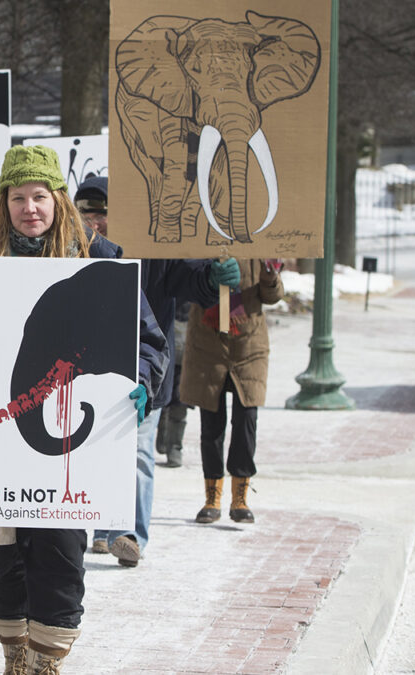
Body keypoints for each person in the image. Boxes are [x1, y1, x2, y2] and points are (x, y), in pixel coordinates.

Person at [0, 145, 168, 674]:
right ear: (4, 201)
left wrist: (143, 379)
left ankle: (49, 659)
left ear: (58, 200)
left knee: (62, 551)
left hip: (76, 447)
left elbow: (148, 340)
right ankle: (15, 655)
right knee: (7, 556)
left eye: (40, 196)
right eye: (19, 197)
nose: (30, 207)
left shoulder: (102, 259)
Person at [79, 177, 239, 567]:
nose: (94, 223)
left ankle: (130, 533)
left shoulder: (153, 245)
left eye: (102, 214)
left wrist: (213, 277)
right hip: (87, 372)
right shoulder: (68, 249)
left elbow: (189, 279)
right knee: (91, 451)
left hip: (143, 371)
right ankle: (102, 527)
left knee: (136, 453)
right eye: (86, 214)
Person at [182, 259, 284, 524]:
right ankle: (211, 497)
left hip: (248, 345)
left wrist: (270, 276)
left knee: (246, 420)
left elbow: (271, 296)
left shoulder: (258, 240)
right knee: (211, 424)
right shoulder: (202, 243)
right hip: (208, 342)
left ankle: (240, 497)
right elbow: (186, 284)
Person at [156, 303, 192, 468]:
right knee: (163, 393)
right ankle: (163, 429)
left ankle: (174, 447)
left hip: (191, 340)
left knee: (181, 398)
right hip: (166, 334)